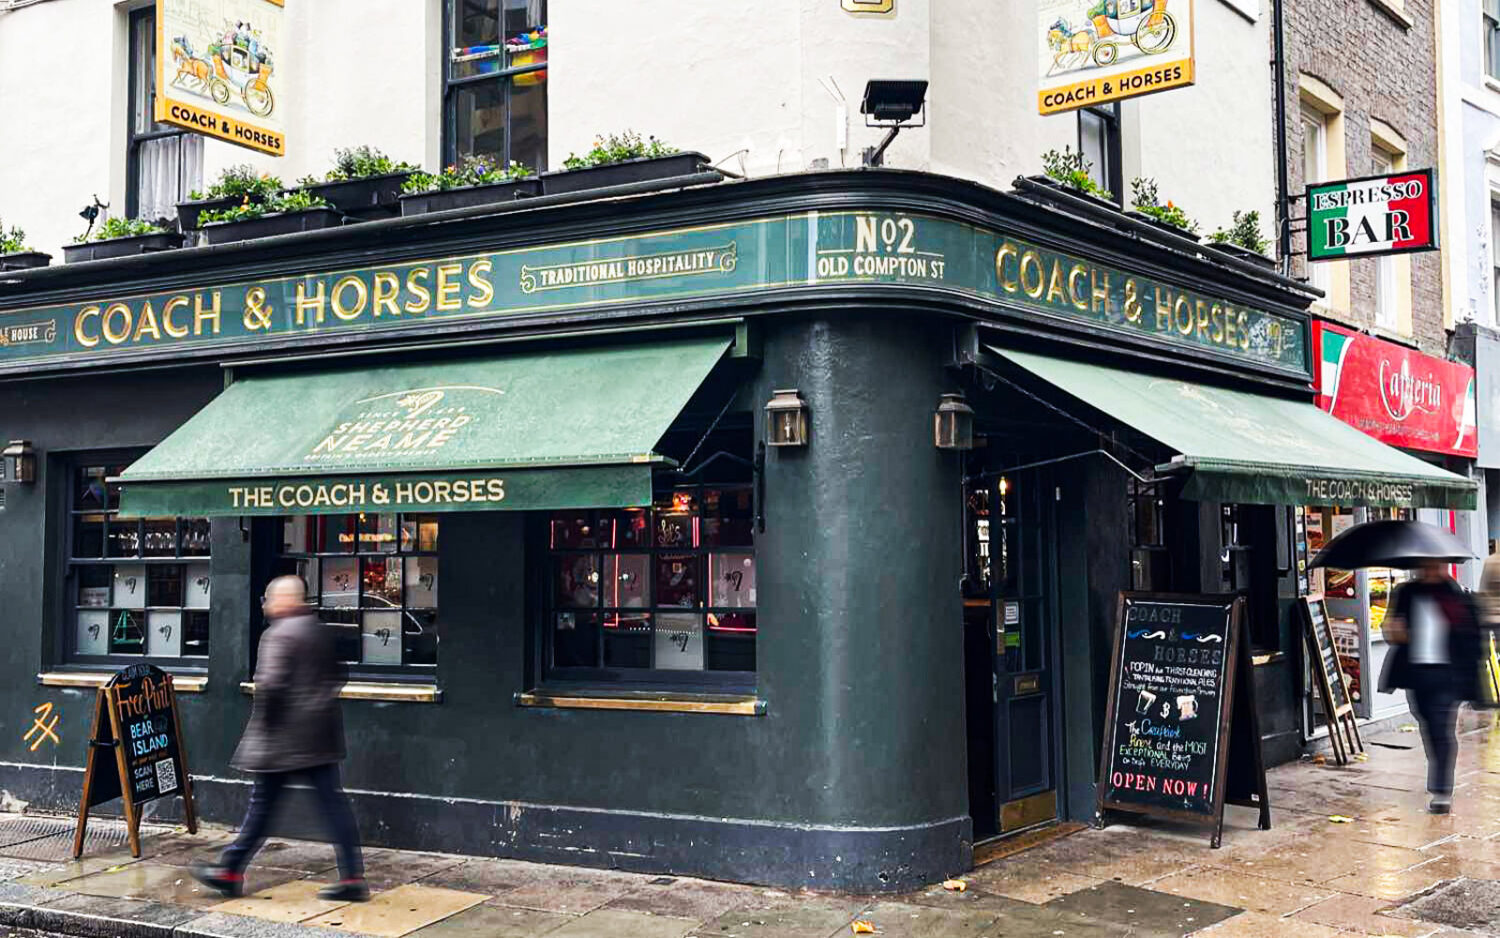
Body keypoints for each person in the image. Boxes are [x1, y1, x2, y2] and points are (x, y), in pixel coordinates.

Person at [192, 576, 368, 901]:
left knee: (263, 807)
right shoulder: (320, 631)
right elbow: (338, 675)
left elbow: (271, 686)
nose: (265, 604)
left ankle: (230, 871)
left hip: (283, 739)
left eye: (269, 598)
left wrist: (267, 729)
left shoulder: (278, 635)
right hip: (320, 736)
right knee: (332, 806)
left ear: (284, 601)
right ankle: (353, 878)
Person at [1379, 559, 1483, 815]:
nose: (1435, 569)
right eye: (1429, 564)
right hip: (1416, 673)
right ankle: (1438, 768)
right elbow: (1391, 630)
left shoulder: (1457, 597)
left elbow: (1472, 640)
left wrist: (1472, 684)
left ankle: (1441, 790)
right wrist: (1395, 631)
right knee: (1427, 723)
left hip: (1448, 674)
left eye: (1439, 564)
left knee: (1440, 728)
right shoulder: (1406, 592)